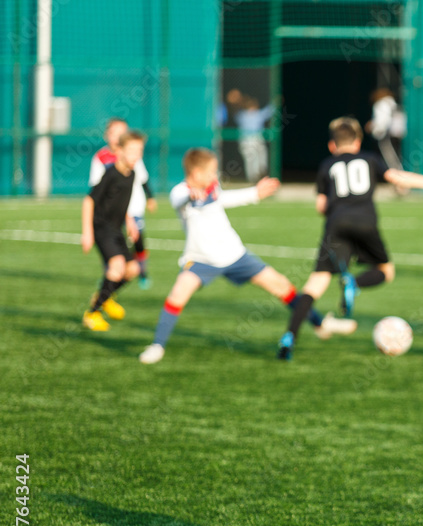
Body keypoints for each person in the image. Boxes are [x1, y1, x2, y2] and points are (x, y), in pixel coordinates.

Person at [277, 117, 423, 361]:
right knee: (386, 270)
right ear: (357, 142)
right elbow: (396, 178)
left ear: (332, 145)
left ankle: (289, 338)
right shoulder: (370, 159)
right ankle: (355, 284)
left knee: (315, 284)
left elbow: (320, 206)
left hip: (336, 224)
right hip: (366, 221)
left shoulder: (327, 164)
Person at [138, 148, 331, 364]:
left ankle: (319, 323)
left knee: (281, 285)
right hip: (201, 260)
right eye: (211, 171)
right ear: (196, 172)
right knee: (177, 295)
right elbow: (183, 199)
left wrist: (255, 193)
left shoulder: (212, 189)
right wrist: (192, 196)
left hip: (235, 255)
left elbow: (224, 198)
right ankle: (157, 346)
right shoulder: (179, 192)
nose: (214, 175)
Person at [81, 130, 146, 331]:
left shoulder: (132, 174)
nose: (136, 155)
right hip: (101, 228)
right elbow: (89, 200)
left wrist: (130, 223)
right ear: (120, 151)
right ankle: (92, 313)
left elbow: (121, 203)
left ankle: (106, 296)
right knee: (117, 266)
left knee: (133, 269)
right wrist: (87, 232)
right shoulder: (111, 174)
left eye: (139, 151)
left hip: (116, 229)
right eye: (132, 151)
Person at [89, 118, 157, 288]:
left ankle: (142, 272)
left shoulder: (133, 156)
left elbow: (143, 178)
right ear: (107, 136)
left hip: (132, 207)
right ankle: (110, 275)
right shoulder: (102, 158)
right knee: (112, 245)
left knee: (138, 239)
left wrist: (150, 197)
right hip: (111, 212)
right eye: (115, 133)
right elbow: (94, 192)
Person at [236, 96, 276, 182]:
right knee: (251, 159)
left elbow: (269, 111)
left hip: (257, 138)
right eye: (251, 106)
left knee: (261, 155)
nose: (253, 108)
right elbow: (235, 109)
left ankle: (261, 172)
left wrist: (275, 102)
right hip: (246, 140)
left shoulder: (257, 114)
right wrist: (238, 100)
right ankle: (253, 178)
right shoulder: (242, 115)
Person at [366, 88, 406, 170]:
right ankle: (399, 172)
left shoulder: (381, 104)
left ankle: (398, 173)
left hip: (386, 135)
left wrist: (373, 128)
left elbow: (382, 121)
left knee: (390, 156)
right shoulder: (393, 103)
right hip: (398, 134)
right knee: (397, 155)